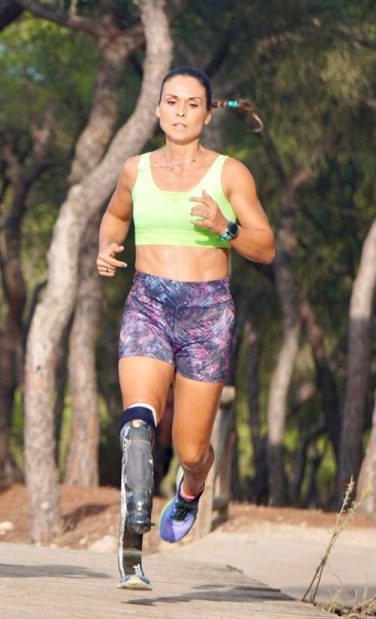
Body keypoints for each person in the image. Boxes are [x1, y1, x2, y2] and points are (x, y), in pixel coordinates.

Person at [97, 67, 275, 553]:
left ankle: (191, 486)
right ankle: (135, 522)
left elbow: (266, 248)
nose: (179, 111)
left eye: (191, 103)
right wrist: (106, 248)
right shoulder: (135, 169)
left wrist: (225, 228)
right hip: (148, 303)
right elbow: (115, 215)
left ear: (206, 113)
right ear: (157, 109)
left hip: (207, 313)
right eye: (171, 102)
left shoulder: (230, 173)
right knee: (139, 422)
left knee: (192, 448)